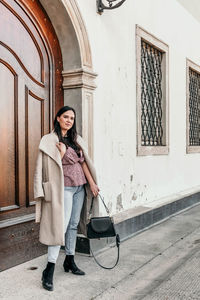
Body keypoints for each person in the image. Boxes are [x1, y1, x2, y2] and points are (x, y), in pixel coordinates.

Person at [34, 106, 99, 291]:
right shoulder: (49, 140)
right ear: (58, 118)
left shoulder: (76, 139)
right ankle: (49, 268)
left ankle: (69, 260)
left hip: (80, 187)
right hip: (64, 189)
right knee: (59, 227)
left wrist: (92, 183)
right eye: (66, 117)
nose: (69, 120)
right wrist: (61, 154)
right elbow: (41, 167)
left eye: (72, 118)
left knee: (72, 225)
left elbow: (83, 162)